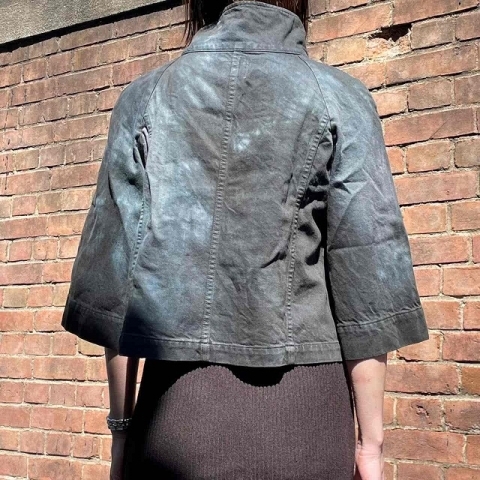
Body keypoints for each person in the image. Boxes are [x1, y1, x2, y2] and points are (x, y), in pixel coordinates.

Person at [61, 1, 430, 479]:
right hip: (310, 419)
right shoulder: (342, 97)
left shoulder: (144, 98)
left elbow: (113, 287)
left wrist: (121, 429)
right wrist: (371, 444)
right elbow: (367, 280)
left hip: (176, 412)